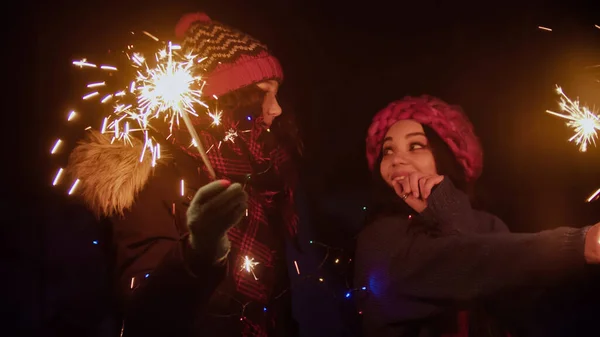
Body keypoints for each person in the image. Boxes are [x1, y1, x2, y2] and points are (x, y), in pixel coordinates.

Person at [66, 12, 341, 337]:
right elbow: (144, 311)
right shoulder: (150, 174)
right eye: (263, 91)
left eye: (277, 92)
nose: (276, 108)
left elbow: (276, 302)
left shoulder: (268, 175)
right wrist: (199, 252)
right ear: (227, 97)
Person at [354, 95, 600, 337]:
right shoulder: (380, 239)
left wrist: (446, 206)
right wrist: (576, 244)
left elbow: (520, 302)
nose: (396, 160)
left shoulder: (489, 224)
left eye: (416, 146)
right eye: (387, 150)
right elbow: (463, 267)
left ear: (446, 154)